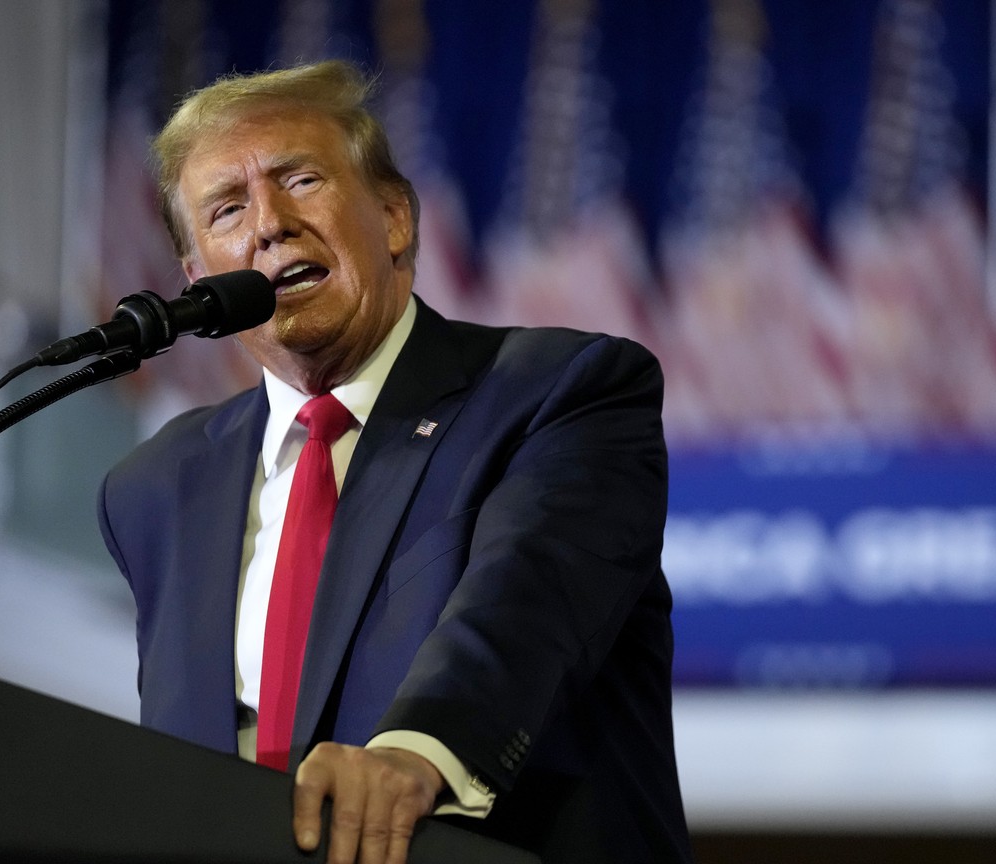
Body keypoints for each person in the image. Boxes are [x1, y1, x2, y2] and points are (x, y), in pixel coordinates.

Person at [97, 60, 691, 864]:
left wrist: (415, 755)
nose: (268, 224)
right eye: (228, 209)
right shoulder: (155, 489)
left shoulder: (559, 394)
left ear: (395, 218)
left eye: (300, 180)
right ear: (201, 281)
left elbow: (524, 608)